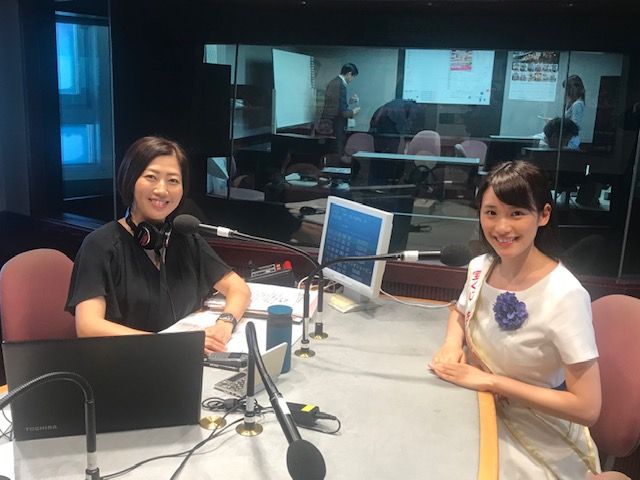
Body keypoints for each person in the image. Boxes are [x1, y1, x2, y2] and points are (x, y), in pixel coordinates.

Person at [430, 161, 602, 479]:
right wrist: (451, 344)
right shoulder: (481, 266)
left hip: (540, 437)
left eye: (517, 213)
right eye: (491, 212)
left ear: (544, 215)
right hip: (480, 408)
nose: (501, 227)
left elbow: (587, 408)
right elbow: (459, 311)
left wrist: (491, 381)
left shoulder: (565, 295)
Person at [66, 136, 251, 353]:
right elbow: (88, 327)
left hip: (183, 357)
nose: (162, 190)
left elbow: (238, 288)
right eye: (151, 177)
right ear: (130, 180)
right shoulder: (100, 245)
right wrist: (174, 344)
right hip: (125, 361)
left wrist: (225, 323)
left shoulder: (184, 238)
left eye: (173, 180)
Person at [318, 63, 361, 156]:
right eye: (353, 77)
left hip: (330, 125)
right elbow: (342, 112)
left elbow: (335, 105)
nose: (352, 80)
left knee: (333, 152)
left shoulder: (335, 82)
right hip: (334, 126)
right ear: (349, 74)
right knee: (337, 153)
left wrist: (349, 102)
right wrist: (353, 112)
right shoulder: (340, 85)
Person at [563, 74, 586, 148]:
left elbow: (575, 125)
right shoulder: (575, 103)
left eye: (567, 89)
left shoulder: (577, 104)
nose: (565, 92)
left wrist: (560, 123)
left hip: (570, 140)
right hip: (569, 139)